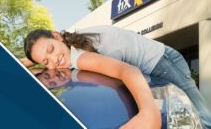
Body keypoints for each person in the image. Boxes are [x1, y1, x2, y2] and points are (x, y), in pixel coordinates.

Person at [21, 25, 211, 129]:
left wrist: (148, 113)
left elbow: (128, 71)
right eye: (45, 61)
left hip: (163, 61)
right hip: (148, 69)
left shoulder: (79, 56)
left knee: (203, 118)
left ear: (57, 36)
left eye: (51, 50)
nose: (54, 61)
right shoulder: (71, 41)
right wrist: (31, 59)